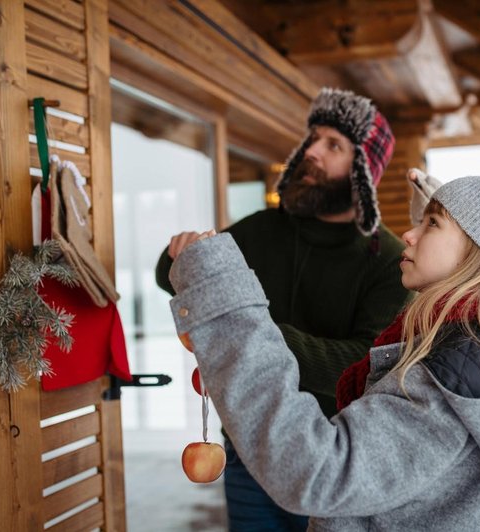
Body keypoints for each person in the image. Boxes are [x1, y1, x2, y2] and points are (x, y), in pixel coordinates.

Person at [166, 174, 480, 531]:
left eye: (433, 223)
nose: (410, 233)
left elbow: (314, 469)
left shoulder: (450, 380)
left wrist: (221, 299)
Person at [156, 88, 411, 530]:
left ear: (364, 172)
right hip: (246, 446)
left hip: (332, 455)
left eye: (333, 145)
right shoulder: (263, 229)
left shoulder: (389, 260)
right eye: (312, 138)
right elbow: (169, 272)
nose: (310, 150)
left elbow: (368, 363)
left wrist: (252, 333)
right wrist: (184, 253)